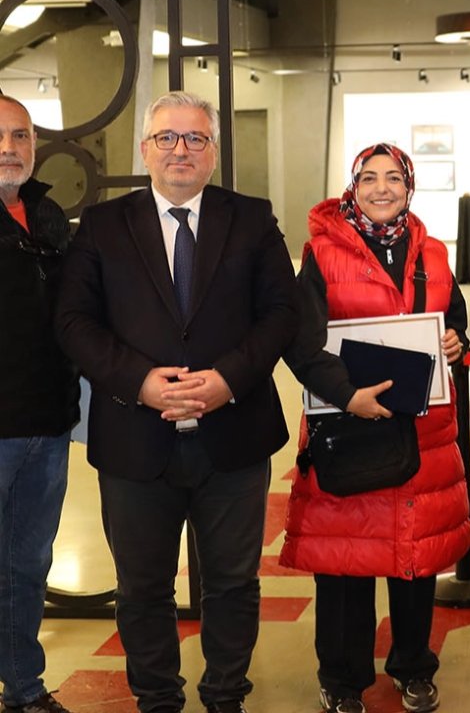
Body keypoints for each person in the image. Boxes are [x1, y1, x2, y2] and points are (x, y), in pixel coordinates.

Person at [54, 91, 297, 713]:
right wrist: (138, 381)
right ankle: (157, 699)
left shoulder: (253, 219)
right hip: (136, 439)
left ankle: (225, 696)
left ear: (213, 152)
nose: (180, 149)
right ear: (145, 149)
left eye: (194, 138)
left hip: (234, 437)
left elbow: (279, 314)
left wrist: (227, 380)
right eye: (167, 138)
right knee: (141, 589)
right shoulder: (104, 226)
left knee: (233, 584)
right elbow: (75, 321)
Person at [279, 143, 470, 713]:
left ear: (409, 187)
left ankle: (413, 667)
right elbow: (301, 341)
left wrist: (460, 344)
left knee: (414, 559)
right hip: (348, 426)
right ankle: (341, 681)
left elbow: (455, 320)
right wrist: (347, 395)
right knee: (344, 563)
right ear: (352, 187)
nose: (382, 188)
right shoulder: (319, 254)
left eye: (393, 178)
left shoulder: (434, 253)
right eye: (369, 178)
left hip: (422, 429)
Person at [0, 95, 78, 713]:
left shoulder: (49, 217)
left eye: (21, 136)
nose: (10, 147)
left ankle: (24, 686)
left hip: (47, 429)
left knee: (27, 565)